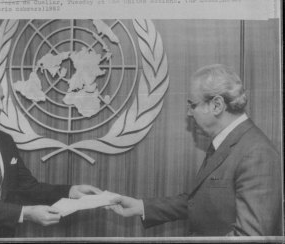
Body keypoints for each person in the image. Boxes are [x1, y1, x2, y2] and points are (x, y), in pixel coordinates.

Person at [107, 64, 282, 236]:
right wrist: (141, 206)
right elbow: (201, 201)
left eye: (193, 105)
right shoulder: (228, 142)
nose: (189, 113)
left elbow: (250, 238)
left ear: (217, 105)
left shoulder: (257, 153)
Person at [0, 73, 102, 238]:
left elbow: (28, 187)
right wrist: (25, 213)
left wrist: (71, 191)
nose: (0, 106)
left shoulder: (5, 140)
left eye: (2, 99)